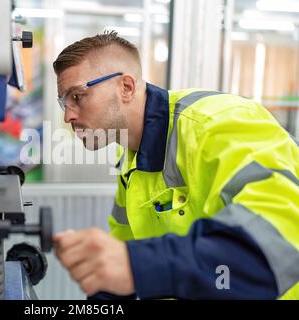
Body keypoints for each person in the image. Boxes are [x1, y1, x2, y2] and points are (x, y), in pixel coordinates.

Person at [51, 31, 299, 299]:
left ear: (126, 87)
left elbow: (280, 241)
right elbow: (124, 261)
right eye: (64, 101)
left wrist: (139, 267)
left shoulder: (217, 124)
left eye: (77, 96)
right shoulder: (131, 162)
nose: (68, 116)